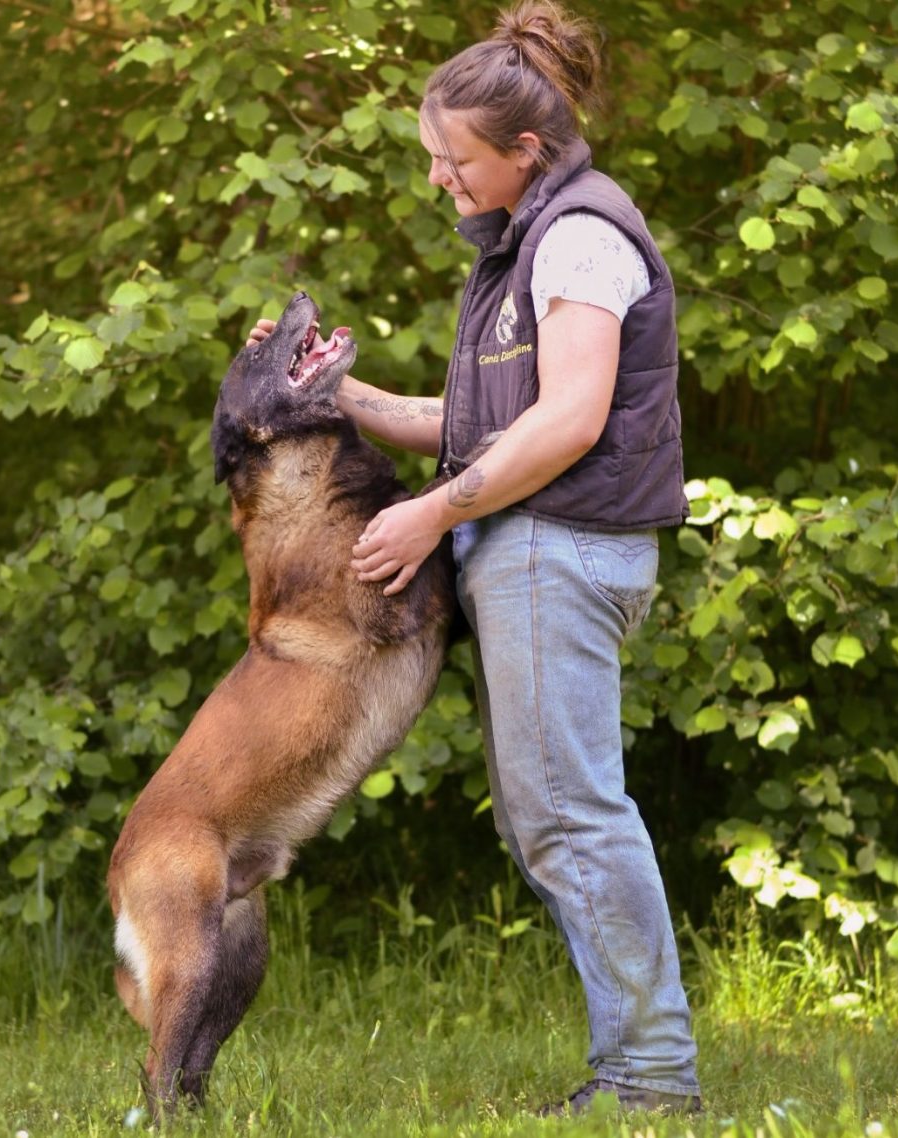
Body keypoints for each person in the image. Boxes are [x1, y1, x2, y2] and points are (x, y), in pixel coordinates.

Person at [249, 0, 701, 1116]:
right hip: (534, 547)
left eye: (454, 161)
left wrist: (433, 516)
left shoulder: (581, 234)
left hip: (563, 546)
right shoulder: (523, 248)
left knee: (571, 814)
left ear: (525, 151)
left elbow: (571, 419)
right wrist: (329, 394)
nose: (440, 180)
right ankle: (639, 1063)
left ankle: (650, 1075)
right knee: (546, 811)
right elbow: (479, 413)